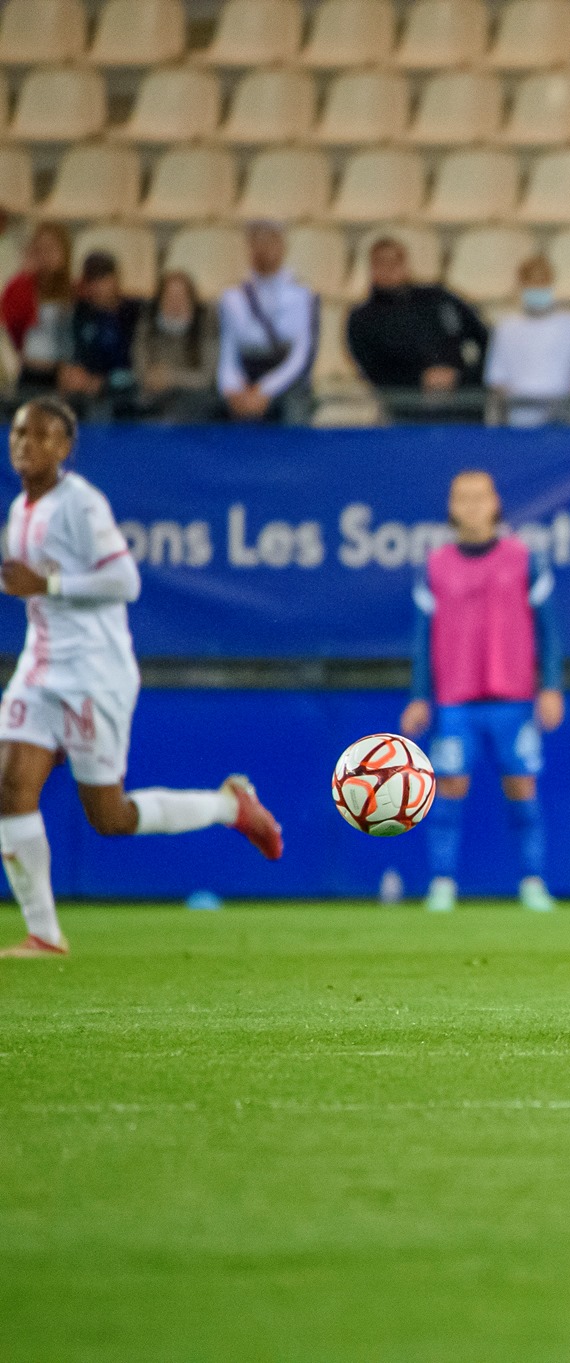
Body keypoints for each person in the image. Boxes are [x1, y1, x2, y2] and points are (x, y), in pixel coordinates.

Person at [0, 399, 283, 959]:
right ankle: (45, 934)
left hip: (94, 672)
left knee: (110, 816)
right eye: (17, 434)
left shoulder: (81, 504)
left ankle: (231, 806)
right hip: (39, 667)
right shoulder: (19, 509)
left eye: (40, 436)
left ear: (65, 448)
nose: (25, 445)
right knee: (10, 786)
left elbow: (125, 581)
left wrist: (50, 587)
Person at [399, 470, 563, 915]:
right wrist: (419, 695)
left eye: (480, 497)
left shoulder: (524, 559)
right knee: (449, 788)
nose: (471, 506)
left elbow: (549, 629)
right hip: (456, 701)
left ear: (496, 503)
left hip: (513, 698)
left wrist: (551, 686)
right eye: (462, 498)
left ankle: (532, 883)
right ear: (451, 508)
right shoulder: (435, 565)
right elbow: (422, 636)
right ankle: (442, 885)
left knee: (522, 788)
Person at [346, 237, 490, 414]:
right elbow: (374, 370)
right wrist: (421, 380)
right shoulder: (362, 319)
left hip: (461, 400)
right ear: (371, 268)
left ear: (406, 264)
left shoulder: (439, 299)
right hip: (408, 406)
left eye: (395, 261)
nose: (389, 268)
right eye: (381, 262)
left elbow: (483, 338)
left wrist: (463, 377)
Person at [217, 221, 317, 425]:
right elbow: (227, 350)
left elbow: (301, 353)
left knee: (294, 415)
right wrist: (232, 387)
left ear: (283, 247)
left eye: (271, 242)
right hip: (246, 376)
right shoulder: (232, 297)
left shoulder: (302, 295)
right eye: (258, 243)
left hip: (286, 379)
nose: (265, 249)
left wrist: (265, 390)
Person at [485, 257, 570, 428]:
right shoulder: (506, 327)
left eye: (542, 283)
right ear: (521, 285)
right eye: (531, 283)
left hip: (562, 419)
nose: (537, 289)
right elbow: (498, 380)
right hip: (520, 421)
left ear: (550, 283)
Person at [59, 251, 141, 416]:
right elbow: (73, 355)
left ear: (115, 279)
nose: (98, 287)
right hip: (85, 391)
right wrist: (72, 373)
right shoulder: (80, 313)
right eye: (92, 281)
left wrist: (104, 382)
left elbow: (139, 366)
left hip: (126, 390)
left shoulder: (134, 313)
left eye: (103, 279)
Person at [133, 271, 220, 422]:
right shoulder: (148, 326)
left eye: (181, 296)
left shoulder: (205, 327)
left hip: (192, 401)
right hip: (152, 398)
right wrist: (153, 379)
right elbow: (141, 368)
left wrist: (171, 378)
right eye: (170, 296)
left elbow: (206, 377)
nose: (175, 302)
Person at [2, 224, 73, 395]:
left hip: (62, 374)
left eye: (51, 249)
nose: (45, 256)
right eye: (40, 250)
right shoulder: (23, 287)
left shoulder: (73, 291)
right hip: (31, 372)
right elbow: (11, 323)